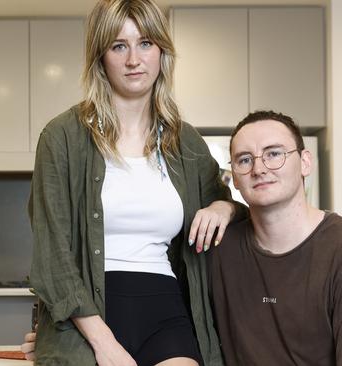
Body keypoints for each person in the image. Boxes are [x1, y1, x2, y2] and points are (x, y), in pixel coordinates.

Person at [26, 0, 246, 364]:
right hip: (88, 317)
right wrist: (105, 343)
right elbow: (52, 255)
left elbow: (231, 207)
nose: (133, 59)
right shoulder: (62, 136)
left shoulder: (186, 142)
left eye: (145, 43)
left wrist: (224, 206)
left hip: (165, 309)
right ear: (101, 56)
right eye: (118, 45)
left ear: (162, 52)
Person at [208, 110, 342, 365]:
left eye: (274, 154)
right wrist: (224, 206)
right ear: (235, 180)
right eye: (244, 160)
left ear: (306, 162)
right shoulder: (220, 250)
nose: (259, 168)